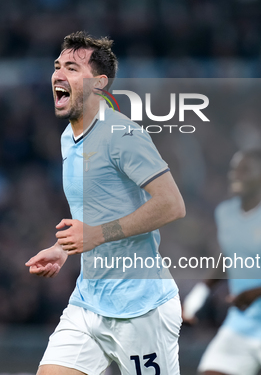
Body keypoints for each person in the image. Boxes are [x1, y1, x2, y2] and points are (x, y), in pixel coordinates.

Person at [25, 31, 185, 375]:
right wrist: (64, 248)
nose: (58, 74)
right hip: (88, 302)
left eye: (71, 67)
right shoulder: (70, 137)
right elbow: (95, 215)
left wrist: (96, 235)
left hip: (141, 309)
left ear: (99, 84)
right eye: (57, 66)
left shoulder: (122, 135)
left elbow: (172, 204)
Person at [182, 150, 261, 375]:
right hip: (241, 326)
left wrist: (253, 294)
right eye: (234, 169)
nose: (236, 175)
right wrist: (198, 296)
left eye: (244, 170)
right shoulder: (225, 213)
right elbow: (228, 257)